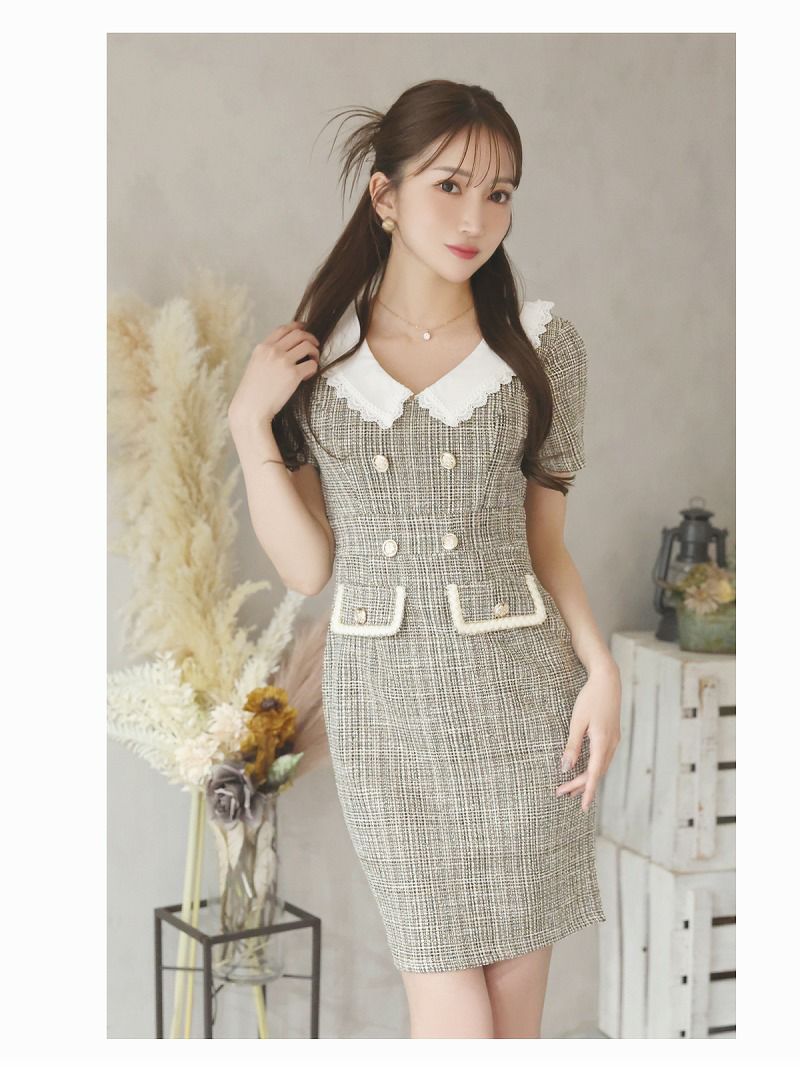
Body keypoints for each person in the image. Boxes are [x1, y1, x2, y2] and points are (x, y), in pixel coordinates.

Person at [228, 79, 621, 1039]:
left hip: (524, 703)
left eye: (499, 192)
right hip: (389, 717)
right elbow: (308, 569)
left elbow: (545, 544)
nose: (476, 217)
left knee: (513, 1018)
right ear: (385, 196)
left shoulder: (540, 345)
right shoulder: (319, 360)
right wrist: (247, 424)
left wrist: (602, 672)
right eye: (449, 186)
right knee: (451, 1008)